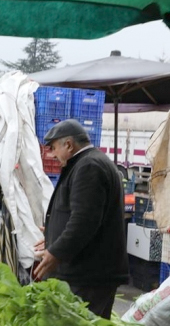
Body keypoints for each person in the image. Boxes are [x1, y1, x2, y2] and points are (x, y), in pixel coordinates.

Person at [33, 119, 129, 319]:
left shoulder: (89, 166)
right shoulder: (88, 163)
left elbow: (85, 220)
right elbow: (80, 214)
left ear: (68, 145)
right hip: (89, 272)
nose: (51, 154)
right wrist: (53, 235)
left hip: (90, 275)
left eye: (53, 148)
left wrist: (56, 252)